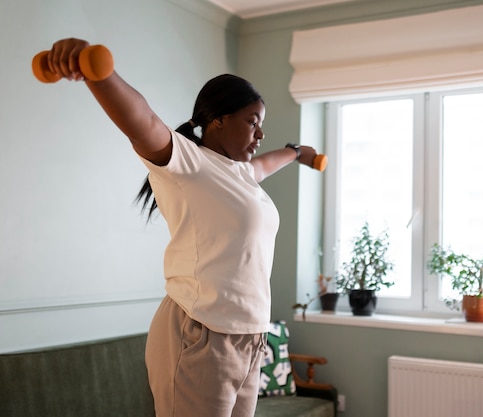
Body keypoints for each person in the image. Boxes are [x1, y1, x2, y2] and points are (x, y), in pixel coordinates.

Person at [43, 38, 323, 417]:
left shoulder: (240, 173)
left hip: (250, 339)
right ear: (219, 120)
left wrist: (298, 153)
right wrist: (97, 73)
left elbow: (267, 163)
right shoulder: (189, 162)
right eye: (253, 122)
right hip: (201, 333)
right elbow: (142, 122)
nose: (260, 135)